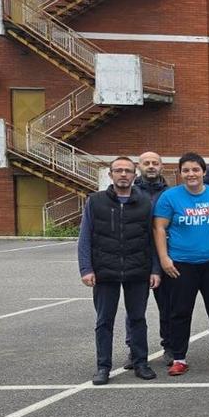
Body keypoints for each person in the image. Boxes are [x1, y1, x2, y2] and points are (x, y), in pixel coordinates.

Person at [153, 153, 209, 376]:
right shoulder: (169, 197)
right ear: (180, 173)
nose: (191, 174)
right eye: (186, 170)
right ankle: (179, 357)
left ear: (203, 172)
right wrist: (164, 258)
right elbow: (159, 228)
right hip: (181, 264)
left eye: (195, 170)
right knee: (180, 311)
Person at [78, 157, 160, 384]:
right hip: (105, 271)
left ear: (135, 175)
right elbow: (84, 238)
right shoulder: (94, 202)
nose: (123, 174)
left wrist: (155, 269)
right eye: (118, 170)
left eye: (128, 171)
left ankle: (140, 362)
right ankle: (103, 367)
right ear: (110, 174)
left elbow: (151, 239)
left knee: (137, 319)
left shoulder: (145, 203)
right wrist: (86, 268)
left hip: (138, 270)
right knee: (104, 321)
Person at [134, 151, 172, 361]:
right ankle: (135, 350)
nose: (151, 166)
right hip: (136, 257)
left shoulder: (171, 194)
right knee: (135, 310)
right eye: (146, 163)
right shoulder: (129, 193)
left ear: (161, 166)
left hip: (164, 257)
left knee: (167, 307)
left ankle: (170, 346)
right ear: (139, 166)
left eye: (154, 163)